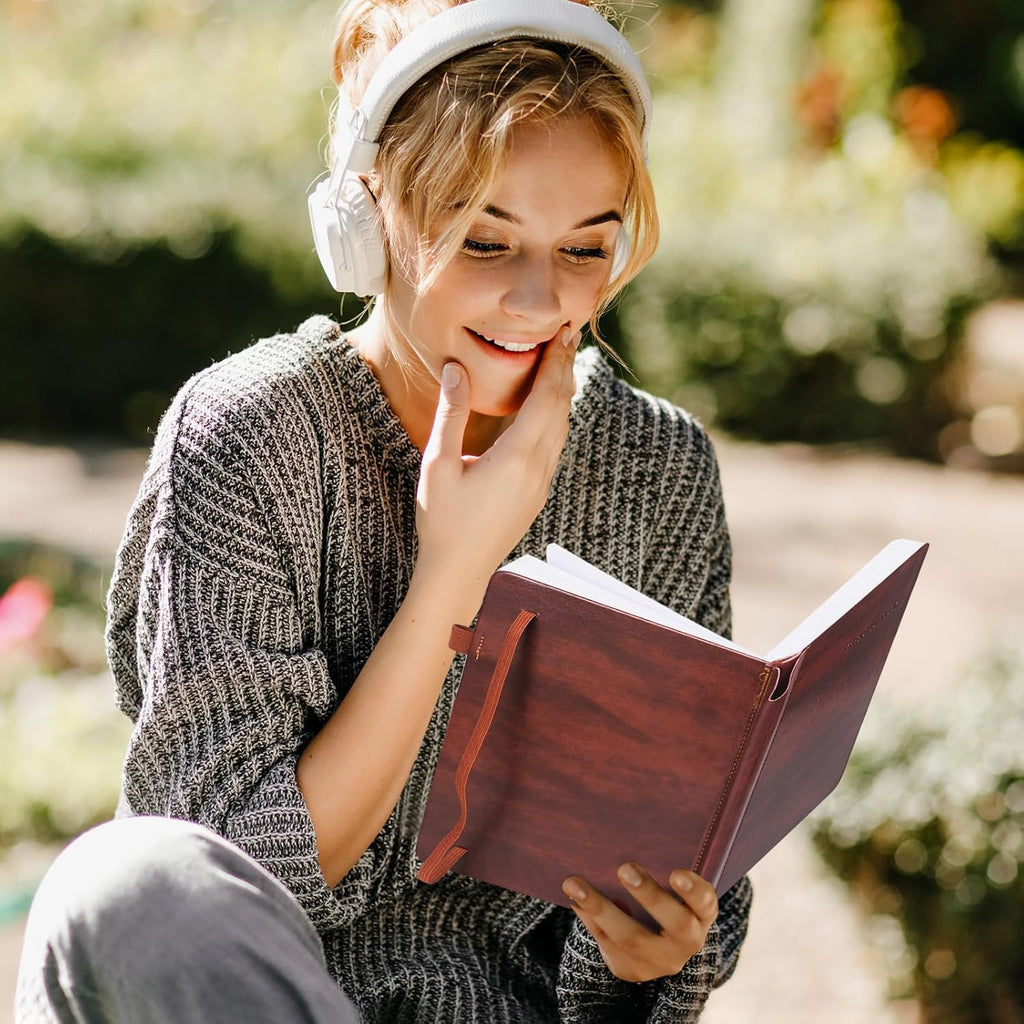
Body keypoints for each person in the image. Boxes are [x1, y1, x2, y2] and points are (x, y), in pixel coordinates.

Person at [16, 0, 752, 1020]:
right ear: (365, 221)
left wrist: (652, 949)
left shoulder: (656, 467)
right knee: (122, 884)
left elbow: (690, 879)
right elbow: (223, 881)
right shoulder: (250, 433)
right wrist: (454, 572)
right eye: (486, 241)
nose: (540, 302)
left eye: (585, 250)